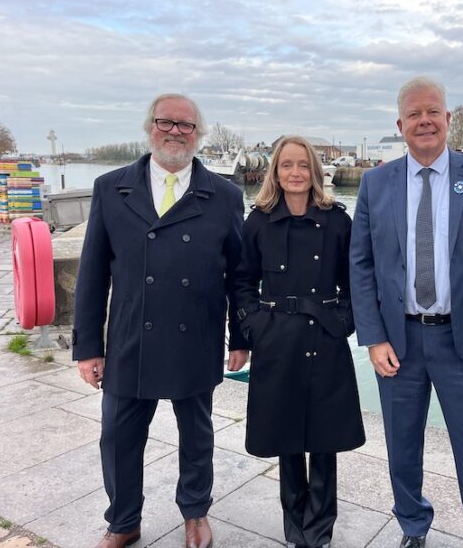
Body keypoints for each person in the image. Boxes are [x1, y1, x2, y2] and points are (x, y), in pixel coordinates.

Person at [350, 76, 463, 548]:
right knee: (402, 445)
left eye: (433, 112)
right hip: (398, 340)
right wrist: (373, 337)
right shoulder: (375, 183)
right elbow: (360, 264)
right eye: (414, 114)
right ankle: (412, 525)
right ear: (400, 124)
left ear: (448, 118)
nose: (424, 121)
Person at [73, 93, 247, 548]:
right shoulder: (111, 188)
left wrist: (241, 337)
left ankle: (195, 513)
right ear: (150, 127)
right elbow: (92, 274)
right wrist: (88, 347)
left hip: (197, 335)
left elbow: (239, 275)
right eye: (165, 122)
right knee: (118, 437)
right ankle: (123, 520)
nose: (175, 132)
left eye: (186, 125)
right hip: (131, 337)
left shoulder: (226, 196)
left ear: (198, 134)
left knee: (197, 436)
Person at [234, 135, 365, 548]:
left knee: (325, 439)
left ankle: (320, 529)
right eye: (287, 165)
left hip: (324, 336)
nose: (295, 173)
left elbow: (356, 282)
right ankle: (295, 527)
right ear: (275, 171)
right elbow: (241, 281)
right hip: (276, 339)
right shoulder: (257, 222)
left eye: (303, 165)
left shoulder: (337, 221)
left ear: (315, 171)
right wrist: (254, 327)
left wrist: (343, 322)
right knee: (285, 436)